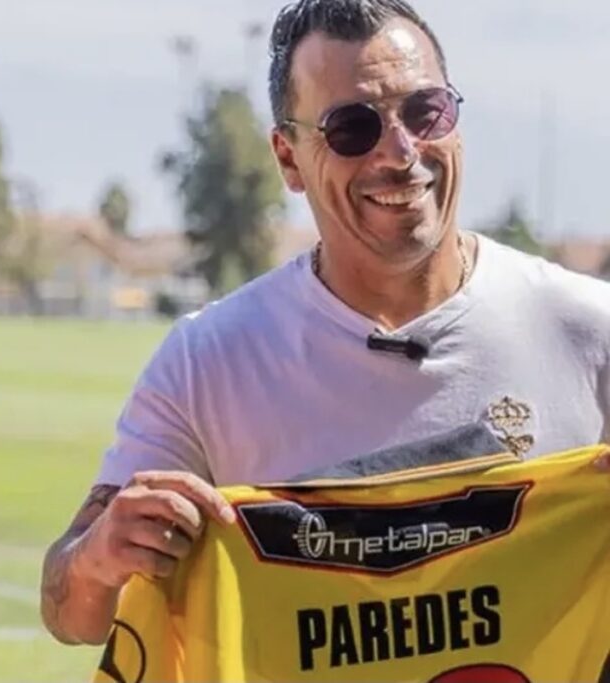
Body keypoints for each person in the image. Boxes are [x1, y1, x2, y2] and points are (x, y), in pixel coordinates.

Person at [41, 0, 610, 646]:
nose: (400, 152)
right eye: (352, 128)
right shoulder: (207, 362)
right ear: (287, 158)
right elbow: (68, 610)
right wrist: (99, 557)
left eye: (426, 111)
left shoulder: (587, 330)